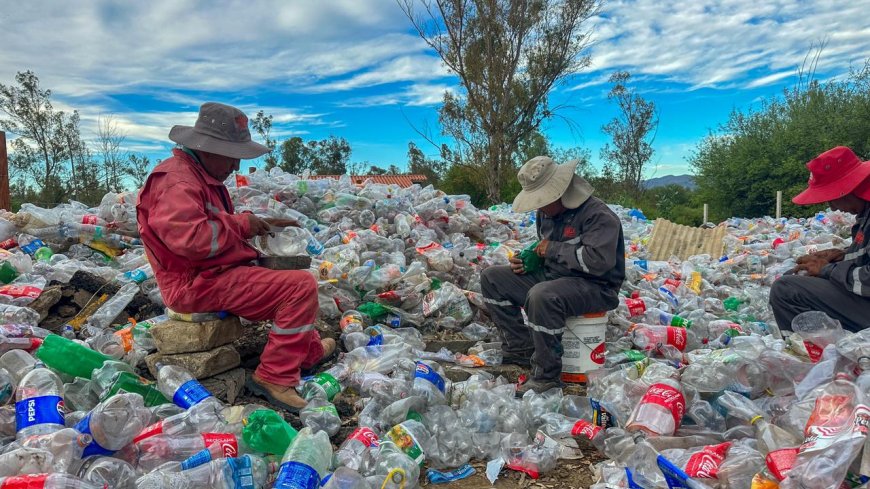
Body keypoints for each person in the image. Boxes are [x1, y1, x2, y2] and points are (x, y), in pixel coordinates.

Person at [137, 102, 335, 412]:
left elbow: (212, 224)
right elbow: (193, 240)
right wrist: (243, 225)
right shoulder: (177, 182)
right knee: (299, 287)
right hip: (194, 284)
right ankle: (274, 376)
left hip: (212, 273)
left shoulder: (199, 176)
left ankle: (307, 354)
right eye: (232, 156)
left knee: (289, 281)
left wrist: (256, 223)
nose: (236, 166)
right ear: (209, 149)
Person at [480, 156, 625, 394]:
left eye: (544, 200)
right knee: (492, 278)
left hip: (596, 286)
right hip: (556, 278)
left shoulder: (599, 216)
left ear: (561, 192)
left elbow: (599, 262)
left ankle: (547, 375)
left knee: (542, 296)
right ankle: (520, 349)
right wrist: (531, 259)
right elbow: (548, 247)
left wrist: (553, 250)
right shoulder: (546, 214)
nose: (540, 208)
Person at [769, 146, 870, 332]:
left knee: (785, 290)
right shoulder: (865, 214)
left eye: (832, 198)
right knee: (794, 276)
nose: (833, 208)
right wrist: (842, 256)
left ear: (848, 189)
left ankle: (809, 348)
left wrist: (828, 270)